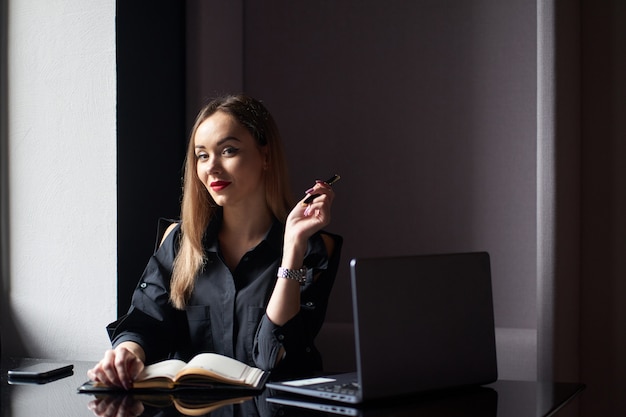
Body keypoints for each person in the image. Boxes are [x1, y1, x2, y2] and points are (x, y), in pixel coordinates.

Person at [87, 94, 342, 389]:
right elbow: (146, 321)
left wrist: (293, 246)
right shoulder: (180, 241)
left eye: (228, 150)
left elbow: (274, 357)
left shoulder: (315, 247)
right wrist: (126, 353)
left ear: (266, 156)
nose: (211, 168)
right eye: (202, 155)